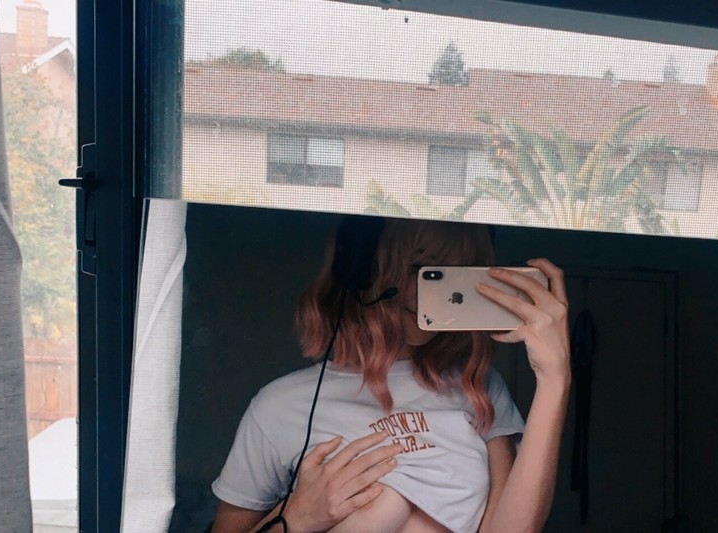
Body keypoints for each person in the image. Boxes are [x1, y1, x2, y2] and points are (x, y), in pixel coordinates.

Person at [210, 218, 570, 533]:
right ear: (361, 269)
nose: (431, 292)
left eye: (451, 272)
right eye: (419, 267)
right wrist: (296, 518)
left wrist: (555, 379)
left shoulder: (479, 387)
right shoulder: (279, 407)